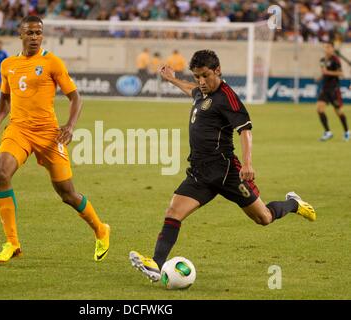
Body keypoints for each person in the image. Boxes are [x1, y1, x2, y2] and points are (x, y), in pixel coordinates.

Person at [129, 50, 316, 282]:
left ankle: (293, 204)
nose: (201, 82)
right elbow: (192, 90)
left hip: (227, 172)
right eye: (197, 76)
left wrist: (247, 164)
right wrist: (172, 79)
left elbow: (245, 130)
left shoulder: (228, 97)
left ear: (217, 70)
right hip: (199, 172)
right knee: (173, 212)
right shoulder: (201, 90)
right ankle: (155, 265)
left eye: (205, 76)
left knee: (264, 218)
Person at [0, 16, 110, 263]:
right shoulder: (8, 65)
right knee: (2, 174)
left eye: (38, 33)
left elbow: (76, 98)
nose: (34, 37)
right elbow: (5, 96)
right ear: (20, 34)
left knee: (67, 194)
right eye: (30, 33)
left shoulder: (52, 62)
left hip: (48, 134)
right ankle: (12, 243)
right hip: (19, 130)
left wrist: (70, 126)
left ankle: (100, 229)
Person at [316, 41, 349, 141]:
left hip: (334, 89)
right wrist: (320, 77)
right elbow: (324, 72)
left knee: (338, 112)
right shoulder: (322, 60)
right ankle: (328, 132)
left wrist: (328, 72)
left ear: (332, 49)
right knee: (319, 108)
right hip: (325, 89)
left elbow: (341, 73)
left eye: (329, 47)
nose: (327, 49)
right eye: (325, 47)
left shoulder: (335, 60)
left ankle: (347, 132)